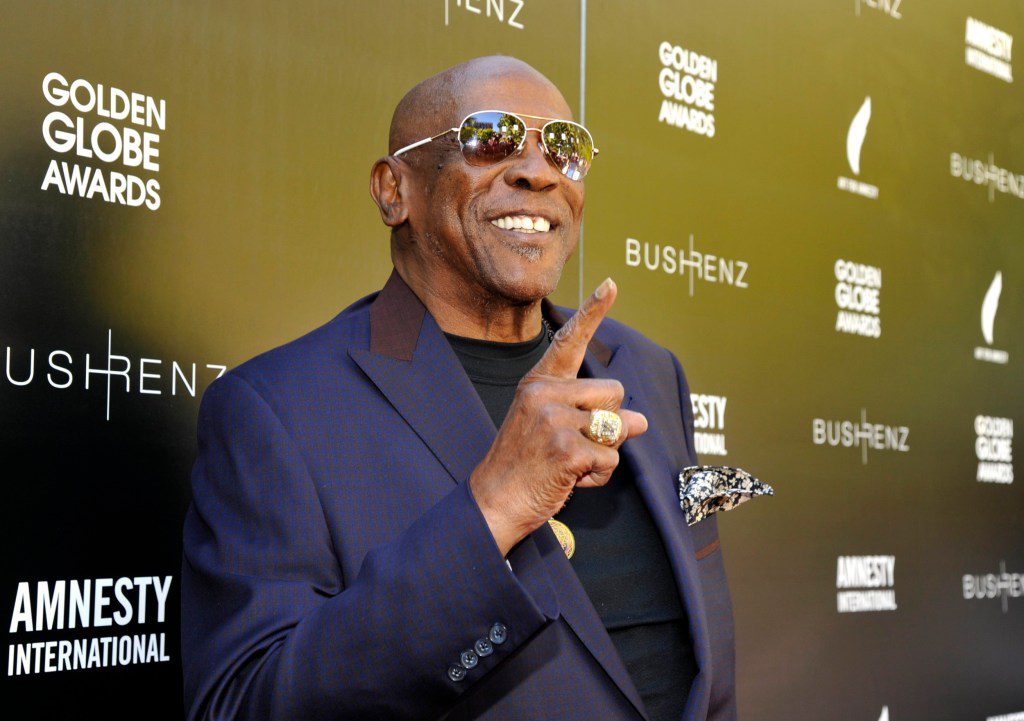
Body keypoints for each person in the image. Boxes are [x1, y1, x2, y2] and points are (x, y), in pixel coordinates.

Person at [181, 55, 737, 721]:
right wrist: (492, 511)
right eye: (492, 137)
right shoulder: (278, 410)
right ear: (395, 190)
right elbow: (246, 703)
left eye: (565, 147)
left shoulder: (646, 369)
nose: (539, 170)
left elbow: (698, 661)